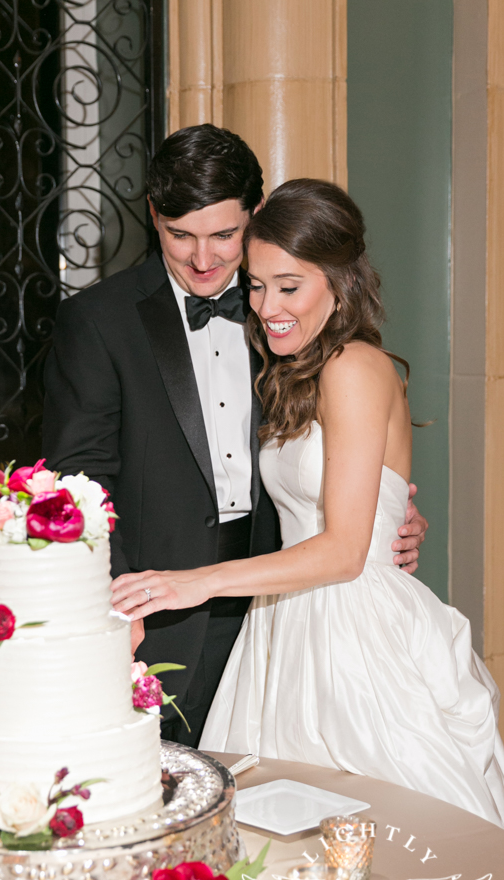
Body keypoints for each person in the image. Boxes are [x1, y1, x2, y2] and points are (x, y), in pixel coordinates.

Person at [111, 179, 504, 825]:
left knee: (380, 831)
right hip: (286, 619)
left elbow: (346, 552)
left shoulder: (354, 367)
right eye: (256, 285)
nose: (267, 307)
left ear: (339, 283)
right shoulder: (299, 369)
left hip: (353, 632)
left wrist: (195, 581)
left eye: (289, 287)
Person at [43, 126, 427, 749]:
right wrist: (113, 604)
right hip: (153, 608)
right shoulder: (97, 320)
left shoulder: (286, 314)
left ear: (255, 215)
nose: (203, 260)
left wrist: (386, 519)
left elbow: (348, 450)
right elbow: (78, 482)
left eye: (224, 236)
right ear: (153, 215)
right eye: (180, 235)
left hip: (279, 602)